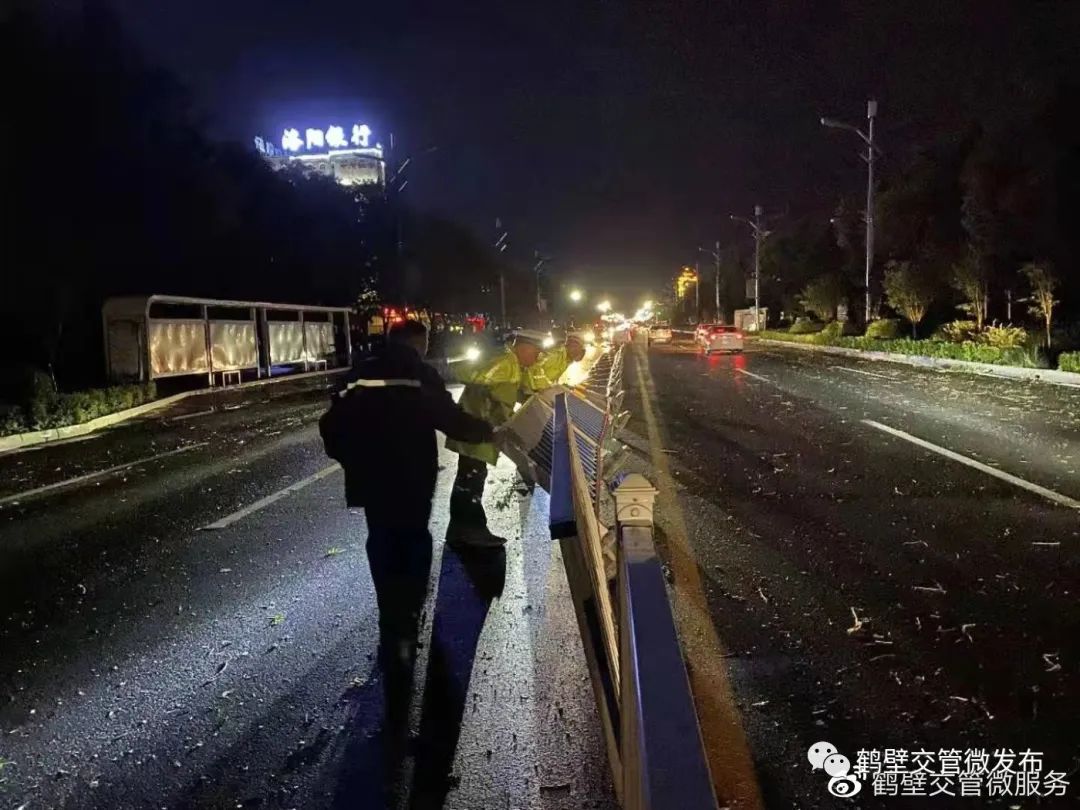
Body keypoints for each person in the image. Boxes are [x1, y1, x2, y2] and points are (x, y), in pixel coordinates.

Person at [319, 319, 493, 719]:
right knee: (414, 539)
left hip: (371, 479)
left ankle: (389, 620)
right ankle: (409, 617)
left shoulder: (359, 372)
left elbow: (331, 425)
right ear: (418, 341)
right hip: (413, 477)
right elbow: (449, 418)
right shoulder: (418, 372)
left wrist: (351, 459)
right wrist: (487, 431)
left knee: (380, 538)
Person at [444, 330, 546, 546]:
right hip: (477, 430)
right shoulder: (506, 362)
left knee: (468, 478)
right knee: (472, 478)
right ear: (524, 348)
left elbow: (508, 391)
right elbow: (476, 378)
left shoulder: (512, 364)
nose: (536, 357)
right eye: (535, 352)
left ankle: (459, 530)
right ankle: (471, 532)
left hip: (479, 430)